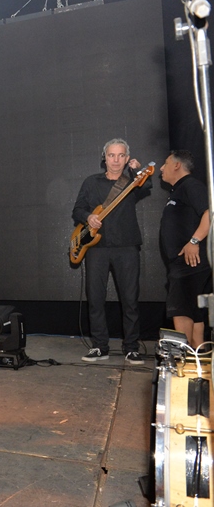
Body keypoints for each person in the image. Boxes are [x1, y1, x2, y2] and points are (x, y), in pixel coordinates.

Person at [72, 138, 152, 365]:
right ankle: (99, 346)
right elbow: (77, 209)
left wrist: (137, 171)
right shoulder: (91, 182)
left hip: (126, 247)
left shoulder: (133, 182)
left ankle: (132, 348)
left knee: (130, 299)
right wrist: (88, 217)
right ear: (104, 158)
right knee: (95, 298)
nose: (116, 160)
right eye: (111, 155)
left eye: (121, 155)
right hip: (96, 248)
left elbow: (146, 186)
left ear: (127, 159)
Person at [159, 150, 211, 349]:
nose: (161, 168)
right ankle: (199, 362)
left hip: (188, 266)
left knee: (181, 313)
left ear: (177, 165)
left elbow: (210, 213)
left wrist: (194, 241)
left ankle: (181, 363)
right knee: (195, 319)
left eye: (165, 163)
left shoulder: (191, 186)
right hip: (186, 266)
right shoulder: (179, 191)